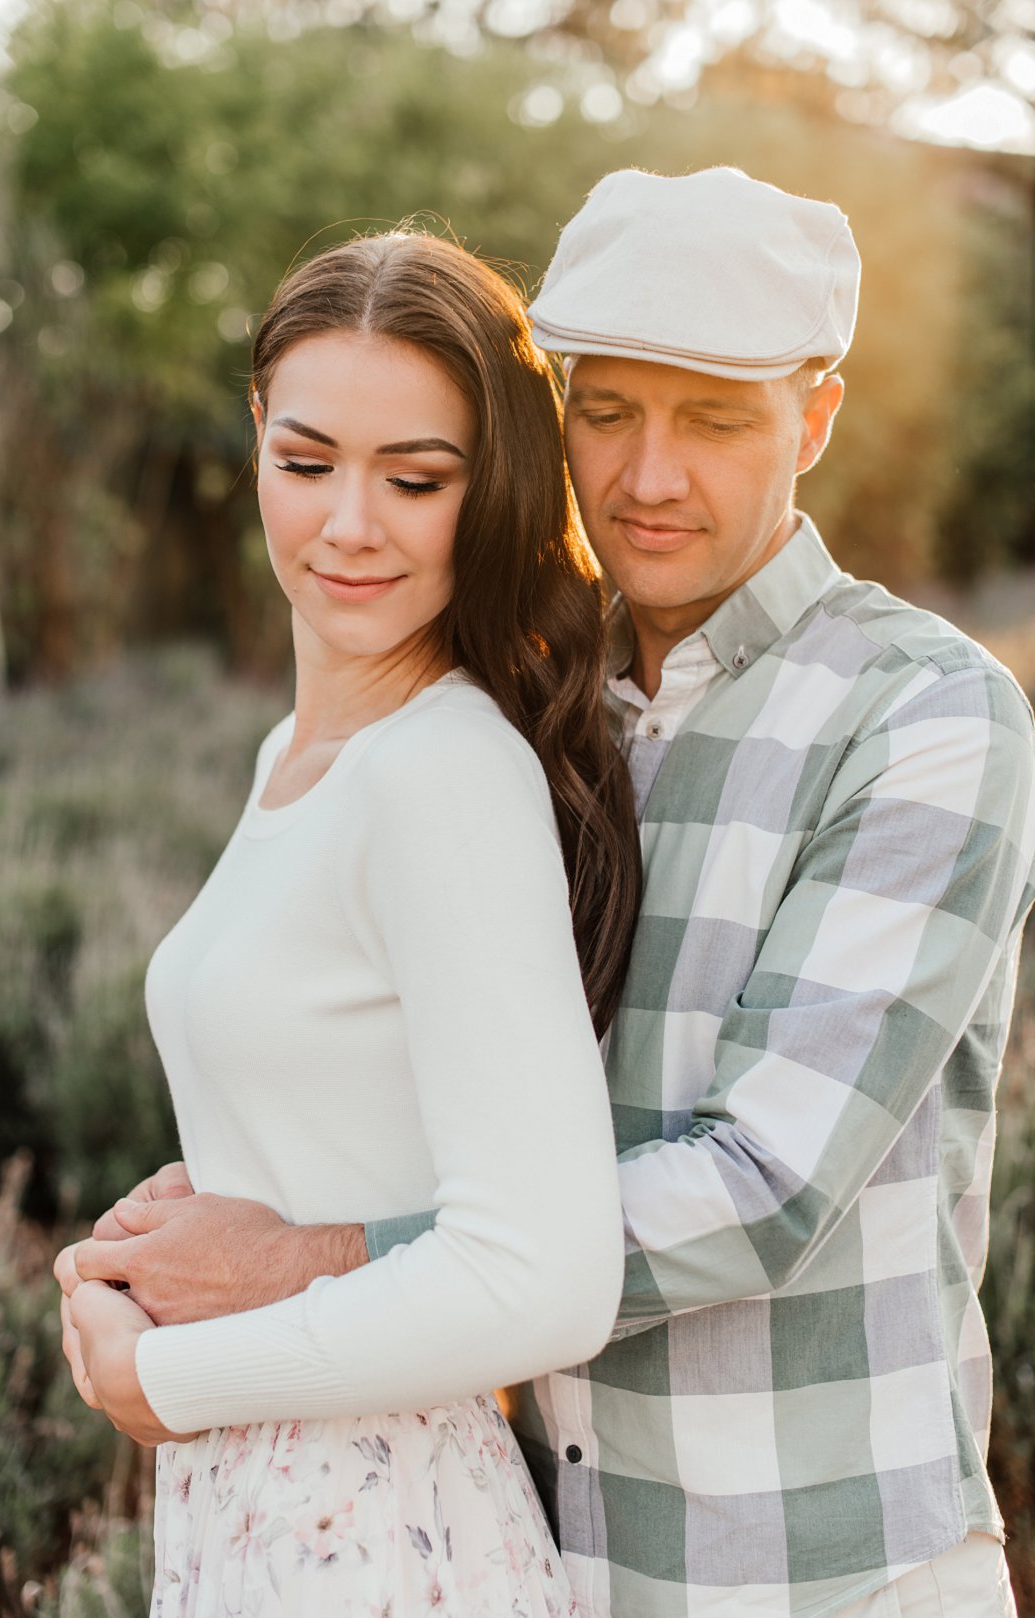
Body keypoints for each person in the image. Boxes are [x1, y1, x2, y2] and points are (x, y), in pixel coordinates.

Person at [59, 170, 1035, 1618]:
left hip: (829, 1569)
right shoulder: (541, 702)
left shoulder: (923, 716)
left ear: (814, 419)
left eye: (714, 418)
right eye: (607, 411)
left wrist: (302, 1261)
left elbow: (767, 1185)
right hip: (559, 1551)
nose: (649, 477)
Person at [54, 228, 643, 1617]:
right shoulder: (297, 757)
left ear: (488, 489)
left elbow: (543, 1276)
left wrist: (160, 1374)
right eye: (307, 460)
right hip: (269, 1510)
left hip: (384, 1531)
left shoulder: (442, 769)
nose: (348, 524)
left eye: (415, 478)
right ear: (256, 429)